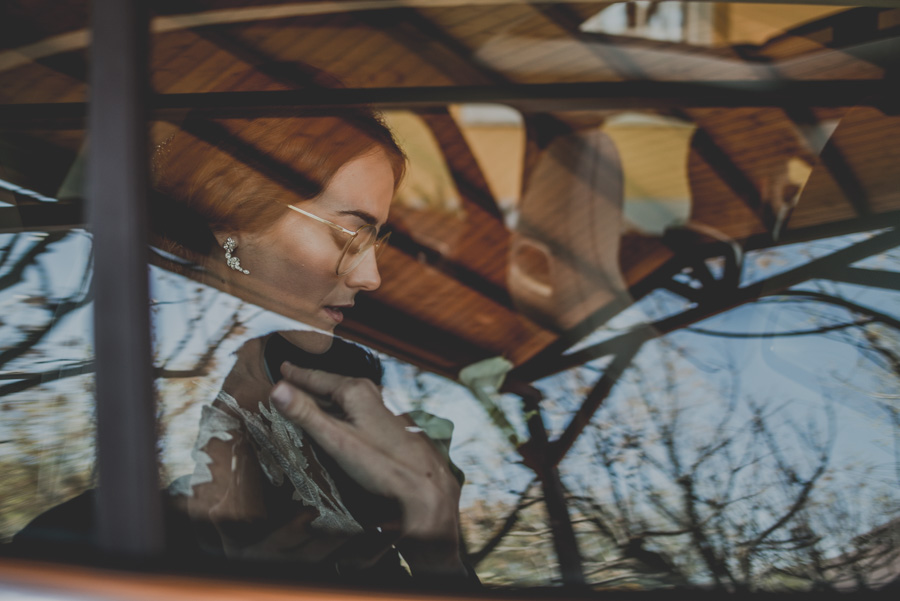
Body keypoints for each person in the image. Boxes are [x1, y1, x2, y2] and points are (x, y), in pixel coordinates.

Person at [150, 108, 472, 584]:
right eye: (349, 233)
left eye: (375, 240)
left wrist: (438, 557)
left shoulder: (351, 430)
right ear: (235, 220)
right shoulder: (140, 460)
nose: (371, 277)